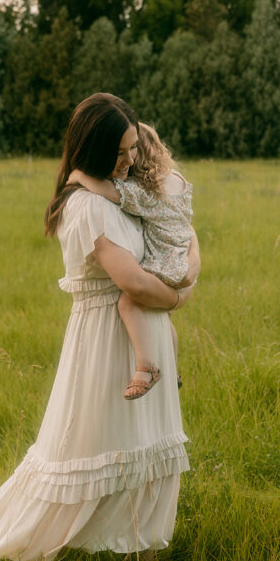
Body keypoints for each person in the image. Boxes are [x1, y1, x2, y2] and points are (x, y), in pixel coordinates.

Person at [0, 93, 200, 561]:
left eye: (133, 148)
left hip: (142, 335)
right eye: (119, 152)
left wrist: (188, 274)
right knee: (87, 447)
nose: (130, 160)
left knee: (147, 447)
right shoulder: (87, 205)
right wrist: (177, 297)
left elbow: (185, 234)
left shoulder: (126, 188)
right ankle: (41, 555)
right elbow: (130, 280)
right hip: (106, 340)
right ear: (91, 151)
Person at [68, 122, 194, 400]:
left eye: (133, 151)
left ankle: (145, 366)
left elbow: (112, 192)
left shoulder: (147, 194)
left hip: (163, 264)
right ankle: (173, 370)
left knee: (128, 302)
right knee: (165, 318)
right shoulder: (179, 182)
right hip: (180, 261)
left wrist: (78, 177)